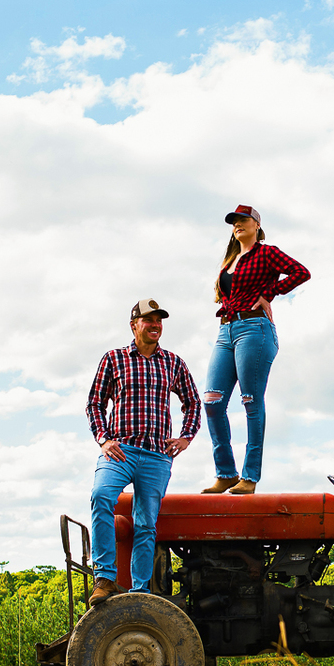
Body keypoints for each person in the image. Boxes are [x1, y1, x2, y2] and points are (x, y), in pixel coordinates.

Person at [85, 298, 201, 607]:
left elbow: (193, 402)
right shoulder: (114, 358)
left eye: (159, 321)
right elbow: (95, 403)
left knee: (146, 522)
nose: (155, 325)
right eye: (149, 320)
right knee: (101, 496)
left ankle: (139, 591)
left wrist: (185, 438)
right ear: (134, 325)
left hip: (156, 456)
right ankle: (105, 578)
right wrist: (103, 440)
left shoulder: (173, 362)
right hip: (120, 450)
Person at [201, 205, 310, 496]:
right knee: (212, 401)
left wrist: (269, 293)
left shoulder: (267, 253)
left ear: (257, 225)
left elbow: (301, 272)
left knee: (250, 400)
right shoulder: (230, 259)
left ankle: (250, 477)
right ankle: (226, 473)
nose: (237, 225)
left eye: (243, 220)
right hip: (226, 330)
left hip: (254, 329)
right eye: (234, 222)